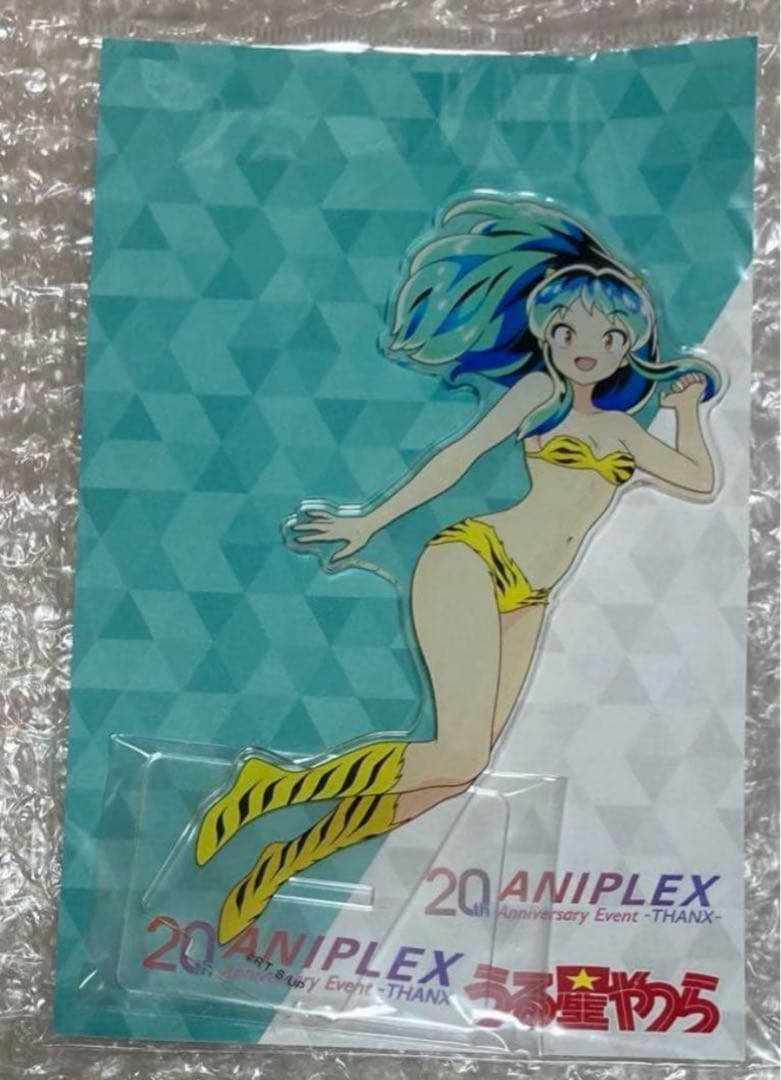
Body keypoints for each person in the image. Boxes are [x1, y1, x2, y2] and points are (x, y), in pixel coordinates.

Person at [193, 196, 720, 946]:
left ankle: (278, 865)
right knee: (458, 751)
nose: (584, 347)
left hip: (529, 597)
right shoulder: (538, 395)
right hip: (473, 560)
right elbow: (459, 456)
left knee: (454, 774)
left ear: (627, 344)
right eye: (566, 330)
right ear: (544, 332)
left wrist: (688, 408)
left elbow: (699, 480)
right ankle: (269, 788)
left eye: (606, 335)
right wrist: (370, 520)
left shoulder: (618, 429)